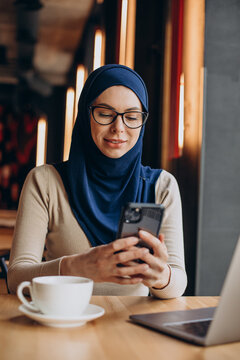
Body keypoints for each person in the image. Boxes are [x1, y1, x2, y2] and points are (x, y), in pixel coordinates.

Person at [8, 64, 187, 297]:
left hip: (134, 330)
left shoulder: (162, 186)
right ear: (85, 115)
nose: (118, 128)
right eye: (105, 114)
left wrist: (161, 277)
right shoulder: (45, 182)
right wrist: (77, 267)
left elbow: (178, 283)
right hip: (63, 325)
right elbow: (15, 280)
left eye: (132, 117)